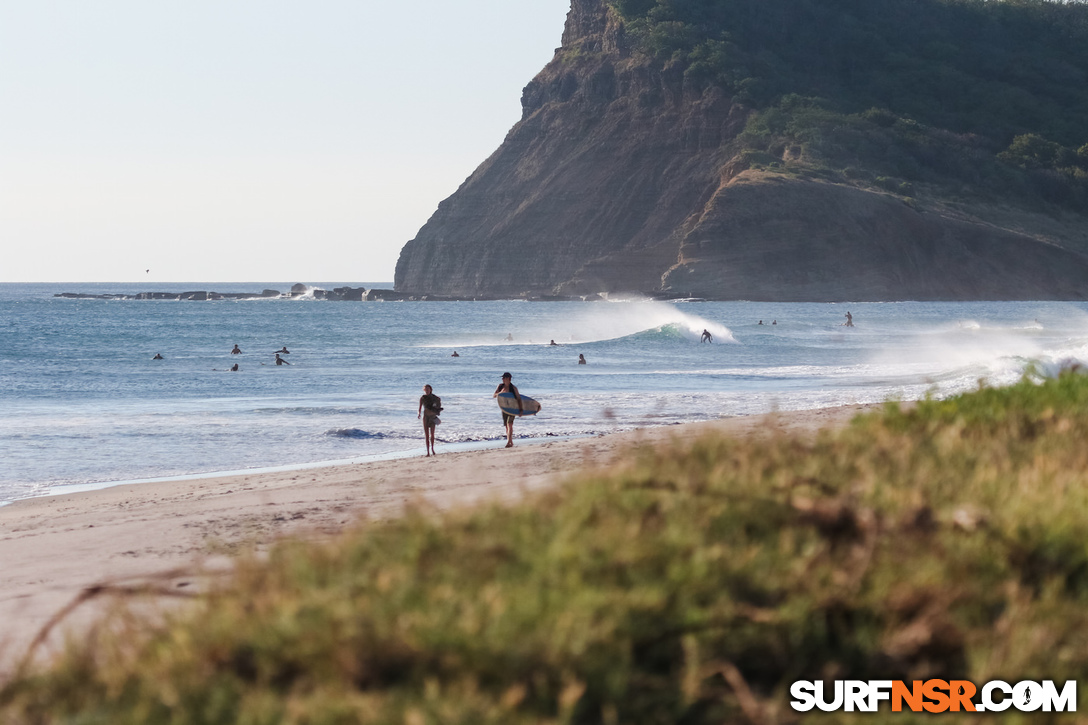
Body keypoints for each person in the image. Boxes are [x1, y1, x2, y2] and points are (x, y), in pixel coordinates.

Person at [492, 372, 522, 448]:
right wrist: (500, 393)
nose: (502, 379)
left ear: (508, 378)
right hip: (504, 408)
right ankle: (510, 442)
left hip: (512, 408)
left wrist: (520, 410)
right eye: (502, 378)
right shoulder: (500, 386)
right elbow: (494, 395)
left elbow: (518, 399)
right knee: (506, 426)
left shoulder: (513, 388)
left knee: (510, 424)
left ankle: (509, 442)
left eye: (504, 378)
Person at [417, 384, 442, 456]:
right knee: (426, 435)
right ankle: (428, 452)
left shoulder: (435, 398)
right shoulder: (422, 398)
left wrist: (438, 408)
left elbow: (438, 405)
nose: (427, 391)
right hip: (425, 417)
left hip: (432, 417)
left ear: (430, 390)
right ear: (424, 390)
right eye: (425, 389)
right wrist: (419, 414)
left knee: (432, 435)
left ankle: (433, 449)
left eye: (428, 389)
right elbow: (420, 408)